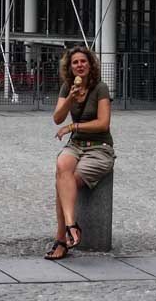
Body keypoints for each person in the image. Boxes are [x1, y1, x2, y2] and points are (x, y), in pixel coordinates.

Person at [46, 45, 115, 260]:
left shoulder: (100, 88)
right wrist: (70, 98)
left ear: (90, 65)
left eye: (83, 61)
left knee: (64, 183)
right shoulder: (67, 87)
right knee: (62, 166)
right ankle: (71, 225)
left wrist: (73, 127)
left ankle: (61, 241)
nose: (79, 65)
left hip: (99, 148)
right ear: (70, 67)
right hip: (76, 145)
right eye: (75, 62)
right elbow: (57, 118)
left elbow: (103, 124)